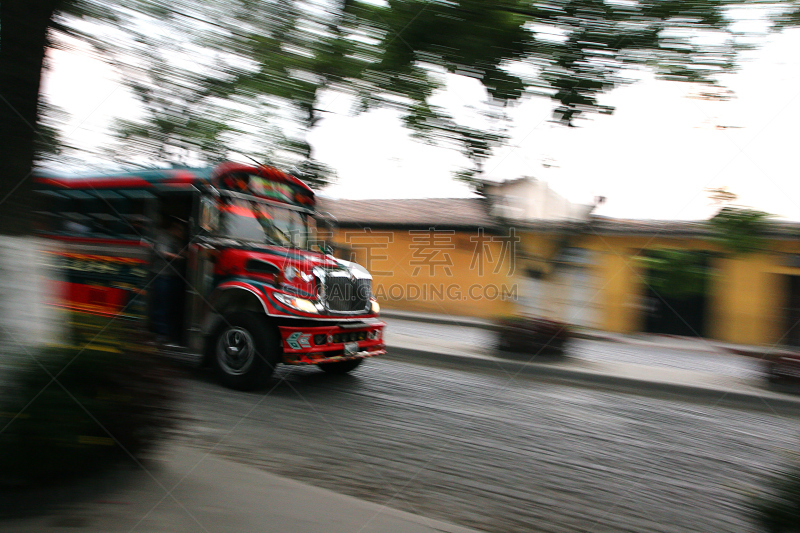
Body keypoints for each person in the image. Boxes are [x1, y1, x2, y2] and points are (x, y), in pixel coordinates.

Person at [151, 219, 186, 344]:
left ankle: (170, 333)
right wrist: (180, 257)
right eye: (180, 231)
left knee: (172, 306)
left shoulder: (177, 240)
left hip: (173, 277)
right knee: (162, 305)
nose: (182, 234)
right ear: (175, 229)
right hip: (163, 276)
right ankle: (160, 334)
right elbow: (162, 253)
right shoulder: (163, 236)